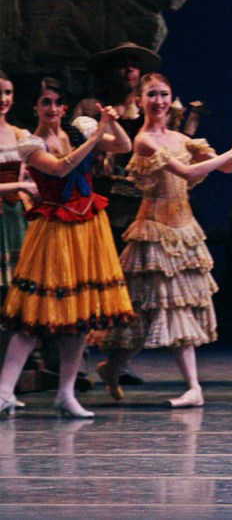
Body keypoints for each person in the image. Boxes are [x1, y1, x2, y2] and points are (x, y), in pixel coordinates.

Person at [94, 73, 232, 408]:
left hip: (184, 231)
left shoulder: (181, 139)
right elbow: (187, 173)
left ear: (172, 98)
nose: (158, 101)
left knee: (177, 306)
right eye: (151, 95)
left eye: (164, 94)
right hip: (154, 230)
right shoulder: (144, 141)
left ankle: (192, 387)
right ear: (140, 101)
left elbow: (224, 169)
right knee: (142, 313)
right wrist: (231, 152)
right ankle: (113, 366)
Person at [0, 78, 134, 418]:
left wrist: (111, 122)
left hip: (87, 230)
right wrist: (95, 134)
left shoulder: (76, 134)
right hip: (54, 233)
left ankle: (66, 393)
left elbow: (123, 146)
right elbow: (61, 167)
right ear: (35, 107)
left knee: (79, 319)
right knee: (34, 316)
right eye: (46, 102)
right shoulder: (30, 144)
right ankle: (3, 391)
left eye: (58, 102)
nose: (53, 109)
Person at [88, 42, 161, 388]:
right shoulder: (93, 108)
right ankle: (81, 362)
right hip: (100, 206)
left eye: (134, 66)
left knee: (133, 290)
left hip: (137, 210)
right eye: (123, 66)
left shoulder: (145, 110)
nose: (129, 71)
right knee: (97, 283)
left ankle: (119, 360)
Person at [0, 72, 36, 299]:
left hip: (17, 214)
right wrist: (21, 186)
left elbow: (32, 176)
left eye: (7, 92)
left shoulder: (21, 135)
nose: (3, 99)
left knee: (20, 280)